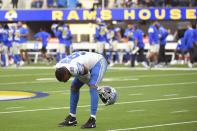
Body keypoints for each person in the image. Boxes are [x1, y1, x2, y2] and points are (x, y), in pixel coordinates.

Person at [55, 51, 108, 128]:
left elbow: (86, 72)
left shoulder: (75, 69)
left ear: (66, 73)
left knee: (93, 86)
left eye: (64, 79)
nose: (64, 82)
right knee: (74, 87)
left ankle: (92, 120)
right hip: (83, 63)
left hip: (98, 62)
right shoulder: (58, 66)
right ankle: (72, 118)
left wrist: (99, 90)